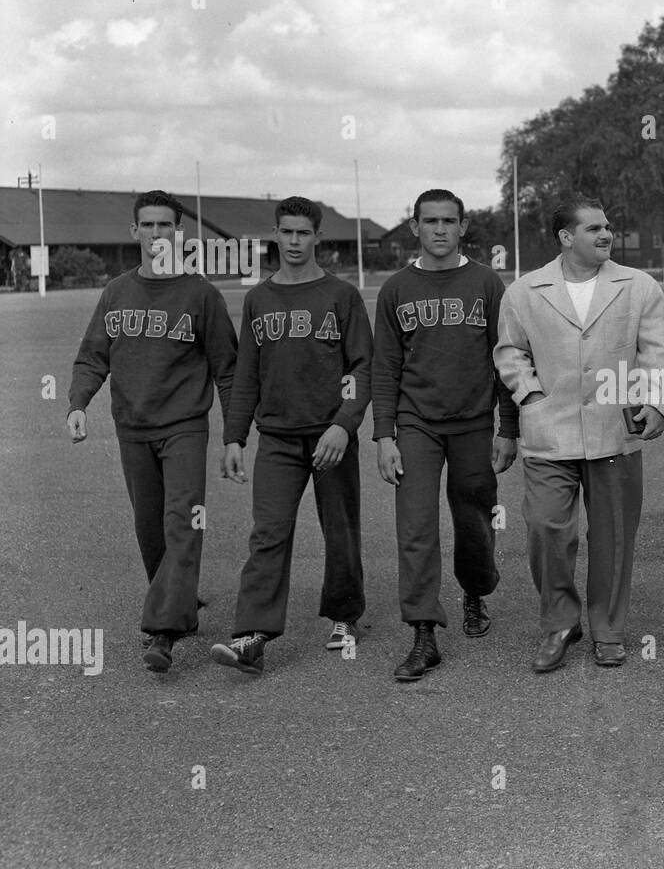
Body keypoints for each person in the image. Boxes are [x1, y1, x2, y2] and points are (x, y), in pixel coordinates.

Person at [494, 196, 664, 672]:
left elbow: (658, 352)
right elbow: (509, 352)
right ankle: (560, 622)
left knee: (613, 537)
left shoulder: (638, 287)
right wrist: (530, 396)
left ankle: (609, 630)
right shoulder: (526, 291)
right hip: (548, 434)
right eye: (593, 228)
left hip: (614, 432)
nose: (606, 235)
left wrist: (657, 403)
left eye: (608, 227)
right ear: (565, 237)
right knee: (546, 530)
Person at [67, 189, 238, 672]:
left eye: (166, 225)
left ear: (177, 232)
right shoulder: (116, 292)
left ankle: (162, 631)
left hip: (184, 426)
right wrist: (78, 403)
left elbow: (228, 368)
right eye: (149, 225)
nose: (158, 234)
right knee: (150, 528)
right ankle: (179, 605)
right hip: (132, 427)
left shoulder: (201, 294)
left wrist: (233, 435)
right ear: (134, 231)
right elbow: (92, 356)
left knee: (183, 520)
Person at [210, 197, 372, 675]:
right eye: (287, 232)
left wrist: (343, 424)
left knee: (339, 530)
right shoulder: (259, 298)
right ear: (275, 235)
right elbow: (247, 377)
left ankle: (344, 616)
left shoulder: (341, 296)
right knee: (268, 533)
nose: (295, 242)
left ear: (318, 236)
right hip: (278, 438)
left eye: (304, 233)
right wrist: (234, 437)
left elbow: (363, 367)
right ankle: (252, 636)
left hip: (330, 437)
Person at [372, 188, 519, 681]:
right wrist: (383, 435)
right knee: (414, 525)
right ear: (414, 226)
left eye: (448, 221)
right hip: (416, 423)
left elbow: (506, 359)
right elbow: (385, 365)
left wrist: (508, 428)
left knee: (475, 519)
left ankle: (475, 591)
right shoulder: (396, 289)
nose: (439, 229)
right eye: (429, 221)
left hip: (475, 421)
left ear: (462, 227)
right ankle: (423, 632)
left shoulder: (485, 282)